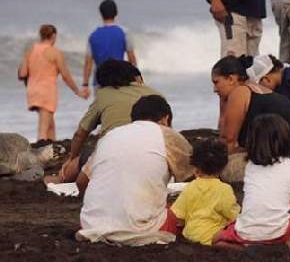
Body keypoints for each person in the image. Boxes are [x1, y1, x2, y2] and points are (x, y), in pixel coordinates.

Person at [76, 95, 194, 246]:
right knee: (176, 214)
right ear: (166, 118)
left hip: (90, 227)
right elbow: (197, 176)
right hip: (142, 231)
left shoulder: (110, 136)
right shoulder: (167, 134)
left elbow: (81, 182)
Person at [211, 56, 290, 183]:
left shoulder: (239, 93)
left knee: (227, 169)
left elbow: (228, 139)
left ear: (231, 79)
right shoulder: (257, 89)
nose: (214, 89)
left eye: (216, 82)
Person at [46, 59, 161, 183]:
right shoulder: (155, 94)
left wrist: (71, 158)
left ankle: (59, 179)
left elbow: (80, 134)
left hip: (112, 155)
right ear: (137, 77)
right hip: (152, 156)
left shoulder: (104, 94)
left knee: (82, 159)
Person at [215, 115, 290, 250]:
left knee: (216, 239)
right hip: (278, 234)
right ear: (285, 140)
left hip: (245, 234)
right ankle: (287, 243)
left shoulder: (250, 167)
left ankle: (244, 248)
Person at [18, 24, 88, 141]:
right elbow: (65, 76)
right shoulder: (54, 52)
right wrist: (78, 92)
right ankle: (40, 155)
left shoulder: (31, 50)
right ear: (53, 36)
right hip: (47, 92)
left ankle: (52, 150)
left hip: (32, 90)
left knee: (50, 125)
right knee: (43, 128)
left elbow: (22, 74)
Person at [170, 139, 240, 246]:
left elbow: (178, 215)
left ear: (196, 166)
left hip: (190, 235)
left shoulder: (190, 187)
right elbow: (233, 215)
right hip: (212, 236)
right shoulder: (224, 189)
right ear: (223, 166)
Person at [82, 0, 136, 92]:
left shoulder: (93, 35)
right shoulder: (124, 32)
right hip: (119, 81)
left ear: (101, 14)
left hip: (99, 82)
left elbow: (88, 63)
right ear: (116, 13)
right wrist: (134, 79)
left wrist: (85, 84)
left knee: (102, 106)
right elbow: (132, 59)